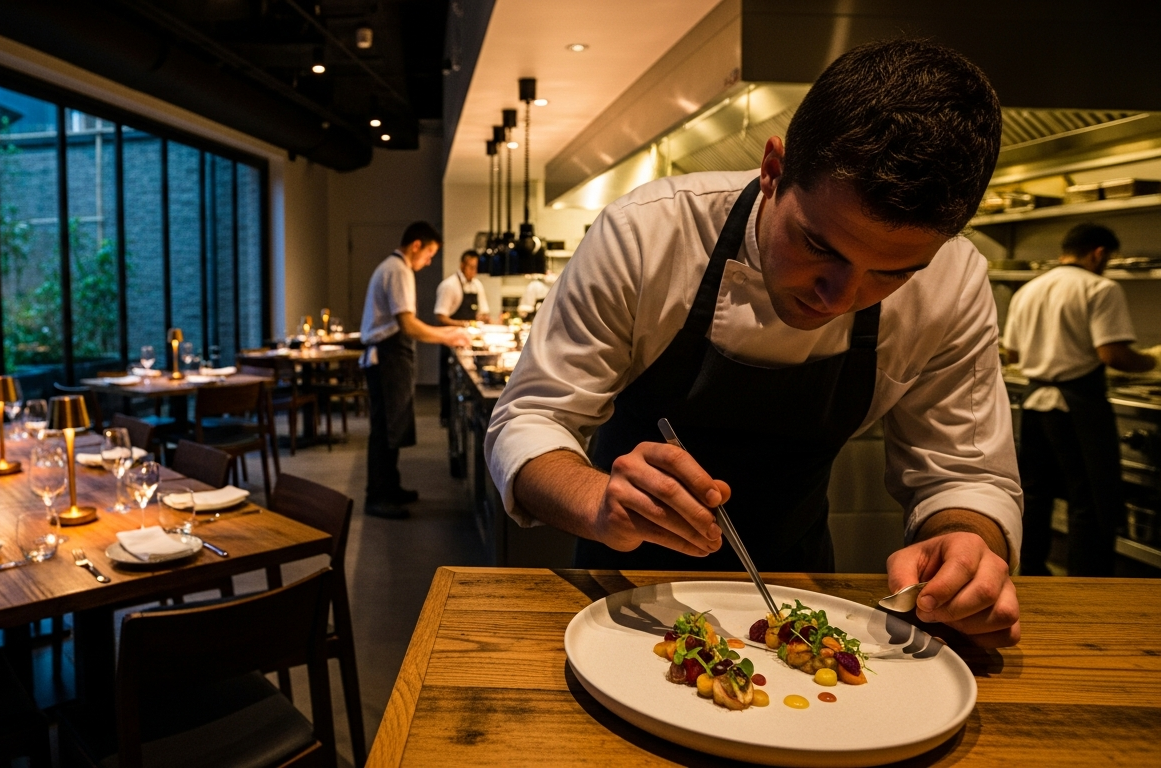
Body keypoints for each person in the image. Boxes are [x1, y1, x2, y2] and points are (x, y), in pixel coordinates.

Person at [486, 39, 1023, 648]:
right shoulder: (646, 234)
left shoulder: (953, 282)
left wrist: (967, 544)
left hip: (800, 593)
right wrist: (600, 499)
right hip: (621, 593)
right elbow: (530, 419)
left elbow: (966, 476)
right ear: (773, 169)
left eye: (892, 274)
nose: (839, 297)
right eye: (818, 246)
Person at [1002, 224, 1157, 576]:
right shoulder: (1100, 288)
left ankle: (1031, 575)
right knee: (1089, 498)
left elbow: (1013, 353)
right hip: (1078, 407)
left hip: (1035, 403)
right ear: (1099, 253)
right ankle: (1086, 582)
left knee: (1035, 496)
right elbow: (1112, 355)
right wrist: (1152, 361)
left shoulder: (1028, 290)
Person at [360, 222, 470, 519]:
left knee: (391, 425)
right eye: (430, 253)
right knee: (384, 429)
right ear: (416, 245)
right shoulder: (398, 270)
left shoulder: (394, 267)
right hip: (386, 357)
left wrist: (447, 334)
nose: (429, 261)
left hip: (390, 355)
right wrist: (447, 336)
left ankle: (390, 487)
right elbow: (408, 325)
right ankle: (377, 497)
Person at [435, 249, 491, 425]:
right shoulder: (449, 286)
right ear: (462, 265)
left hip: (469, 339)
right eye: (471, 267)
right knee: (448, 377)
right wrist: (464, 324)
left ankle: (470, 417)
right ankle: (447, 416)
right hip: (451, 338)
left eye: (476, 268)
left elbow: (482, 312)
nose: (474, 272)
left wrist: (484, 319)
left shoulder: (477, 285)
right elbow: (441, 316)